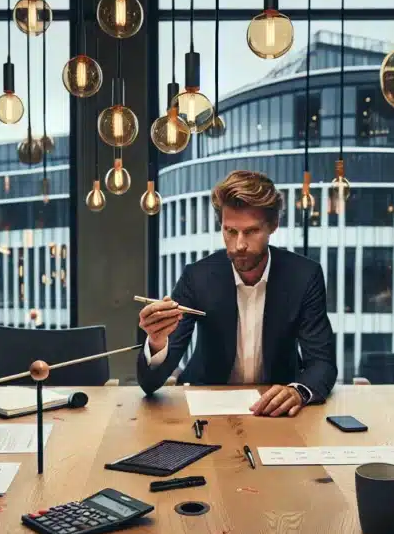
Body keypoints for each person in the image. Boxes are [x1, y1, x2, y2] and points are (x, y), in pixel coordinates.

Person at [137, 170, 337, 416]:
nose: (239, 244)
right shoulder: (197, 277)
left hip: (275, 411)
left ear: (273, 226)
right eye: (230, 232)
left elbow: (322, 362)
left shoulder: (304, 276)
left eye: (251, 231)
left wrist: (298, 391)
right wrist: (157, 342)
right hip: (204, 407)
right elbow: (149, 383)